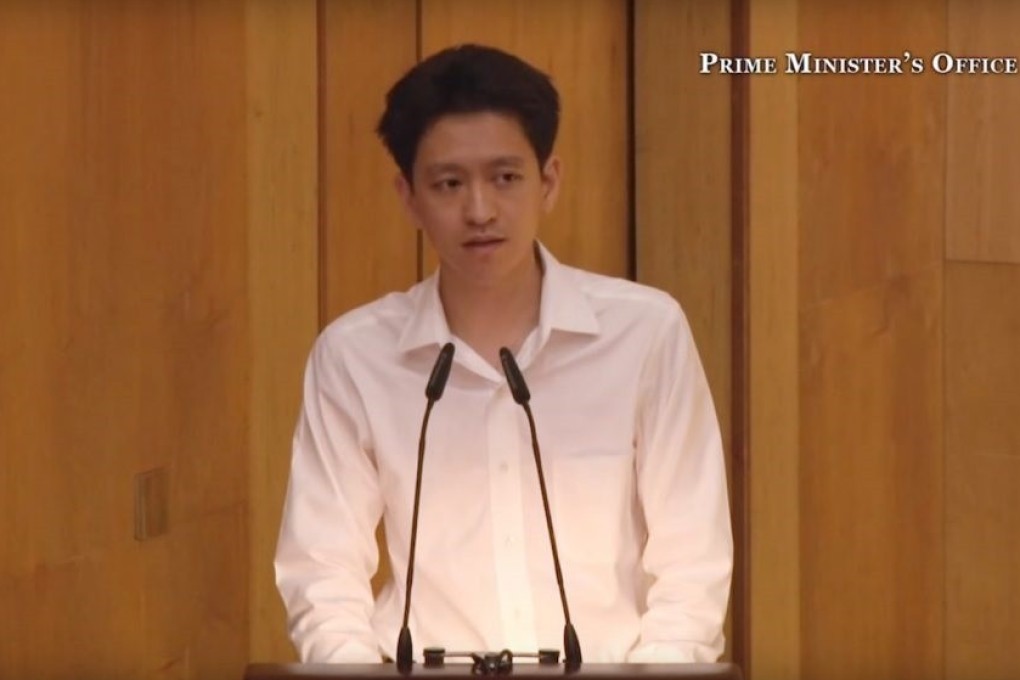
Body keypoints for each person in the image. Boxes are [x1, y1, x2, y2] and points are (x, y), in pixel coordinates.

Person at [275, 43, 732, 665]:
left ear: (548, 182)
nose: (480, 210)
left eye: (506, 177)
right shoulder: (355, 356)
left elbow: (692, 562)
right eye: (449, 184)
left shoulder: (645, 332)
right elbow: (323, 572)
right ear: (409, 197)